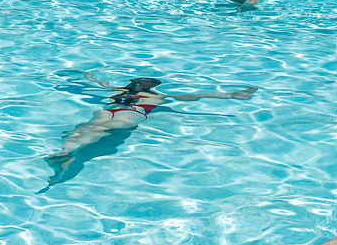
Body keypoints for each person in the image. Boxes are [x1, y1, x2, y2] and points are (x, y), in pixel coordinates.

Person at [43, 71, 257, 187]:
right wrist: (231, 94)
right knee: (101, 132)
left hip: (109, 109)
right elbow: (197, 96)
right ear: (152, 87)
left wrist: (88, 76)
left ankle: (65, 151)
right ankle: (68, 155)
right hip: (131, 114)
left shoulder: (117, 90)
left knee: (88, 128)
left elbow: (98, 83)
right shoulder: (157, 97)